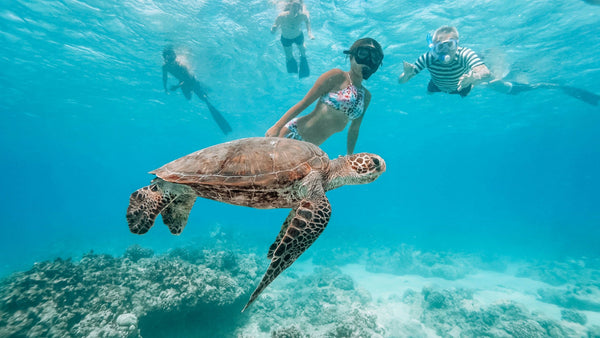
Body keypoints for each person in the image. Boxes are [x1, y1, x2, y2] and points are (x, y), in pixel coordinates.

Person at [265, 38, 384, 154]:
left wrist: (349, 155)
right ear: (351, 56)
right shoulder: (337, 76)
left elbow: (354, 129)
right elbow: (304, 103)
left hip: (310, 149)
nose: (368, 61)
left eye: (375, 58)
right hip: (294, 134)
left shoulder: (366, 96)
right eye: (363, 54)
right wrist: (277, 126)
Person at [398, 25, 492, 97]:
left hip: (461, 86)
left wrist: (474, 77)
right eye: (440, 46)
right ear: (434, 47)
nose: (446, 50)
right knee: (429, 93)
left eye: (450, 45)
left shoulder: (464, 54)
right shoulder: (428, 58)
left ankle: (475, 84)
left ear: (457, 44)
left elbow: (486, 72)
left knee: (467, 92)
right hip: (437, 85)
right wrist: (406, 75)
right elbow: (401, 82)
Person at [162, 46, 232, 134]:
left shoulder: (181, 65)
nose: (169, 59)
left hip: (193, 82)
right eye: (167, 57)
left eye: (170, 56)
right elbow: (164, 78)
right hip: (183, 84)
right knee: (188, 98)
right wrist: (165, 88)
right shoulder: (165, 66)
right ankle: (200, 93)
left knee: (205, 100)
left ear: (174, 56)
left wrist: (176, 87)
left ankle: (221, 121)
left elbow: (187, 79)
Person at [271, 0, 314, 78]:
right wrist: (273, 29)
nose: (295, 11)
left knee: (303, 51)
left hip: (298, 36)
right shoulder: (282, 16)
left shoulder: (302, 15)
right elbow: (275, 25)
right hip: (286, 38)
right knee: (288, 56)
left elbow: (307, 22)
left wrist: (309, 34)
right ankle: (292, 71)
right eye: (294, 8)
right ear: (290, 7)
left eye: (297, 9)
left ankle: (303, 58)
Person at [487, 79, 599, 106]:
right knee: (542, 85)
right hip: (513, 88)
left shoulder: (491, 81)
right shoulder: (491, 81)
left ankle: (566, 89)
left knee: (541, 85)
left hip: (513, 88)